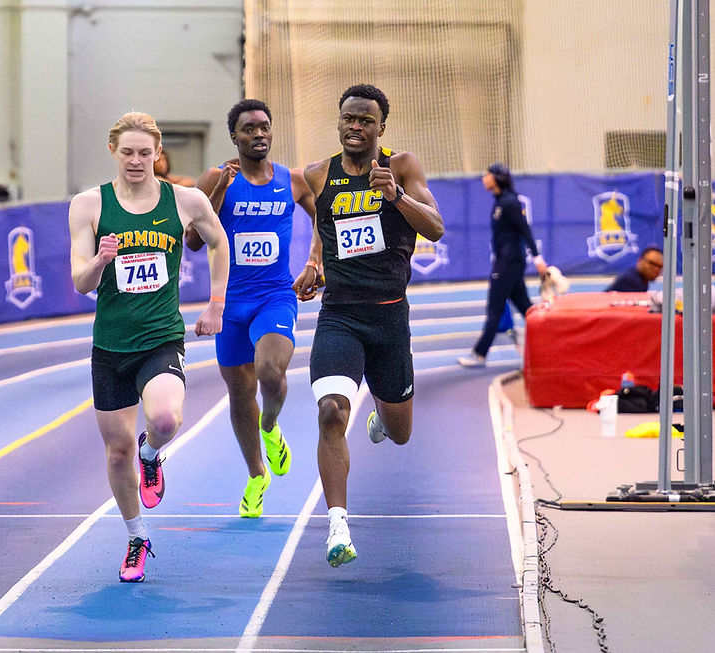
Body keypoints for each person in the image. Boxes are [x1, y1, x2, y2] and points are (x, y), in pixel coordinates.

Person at [67, 111, 228, 582]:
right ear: (113, 152)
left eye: (145, 153)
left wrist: (215, 306)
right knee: (117, 453)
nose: (136, 161)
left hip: (161, 336)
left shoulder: (186, 200)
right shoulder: (88, 206)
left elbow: (219, 245)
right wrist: (100, 259)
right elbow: (79, 283)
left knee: (163, 419)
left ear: (157, 154)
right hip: (111, 346)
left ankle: (153, 453)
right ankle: (137, 537)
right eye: (127, 152)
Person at [291, 84, 444, 567]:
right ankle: (337, 525)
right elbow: (323, 227)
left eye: (366, 120)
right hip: (340, 314)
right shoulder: (318, 176)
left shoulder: (402, 167)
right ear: (339, 123)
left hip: (389, 316)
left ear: (382, 127)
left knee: (400, 433)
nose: (355, 126)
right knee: (332, 411)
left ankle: (383, 414)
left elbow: (436, 228)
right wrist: (314, 265)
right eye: (348, 119)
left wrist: (396, 196)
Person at [184, 99, 315, 518]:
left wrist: (316, 261)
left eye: (264, 127)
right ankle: (256, 474)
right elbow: (191, 241)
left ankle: (271, 426)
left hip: (275, 295)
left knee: (270, 372)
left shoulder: (292, 181)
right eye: (248, 129)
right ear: (234, 137)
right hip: (230, 303)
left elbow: (326, 222)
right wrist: (219, 190)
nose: (258, 134)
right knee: (240, 391)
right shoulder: (214, 177)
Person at [457, 163, 547, 367]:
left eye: (487, 175)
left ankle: (479, 354)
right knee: (526, 307)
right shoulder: (499, 202)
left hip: (508, 263)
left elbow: (525, 230)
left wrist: (537, 258)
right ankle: (551, 340)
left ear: (497, 178)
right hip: (508, 262)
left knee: (495, 308)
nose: (483, 178)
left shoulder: (510, 202)